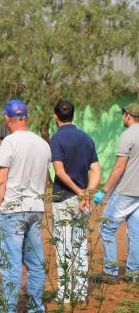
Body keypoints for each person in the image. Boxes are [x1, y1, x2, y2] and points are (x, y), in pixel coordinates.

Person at [0, 99, 51, 313]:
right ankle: (36, 309)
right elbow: (46, 179)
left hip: (12, 209)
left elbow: (1, 179)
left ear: (9, 119)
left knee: (10, 262)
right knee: (35, 262)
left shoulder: (9, 142)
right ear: (25, 118)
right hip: (36, 209)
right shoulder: (43, 144)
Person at [49, 100, 100, 302]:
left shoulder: (56, 139)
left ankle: (64, 294)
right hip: (82, 202)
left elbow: (59, 172)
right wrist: (87, 193)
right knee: (79, 246)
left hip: (63, 199)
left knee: (63, 247)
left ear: (55, 116)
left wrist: (80, 192)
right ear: (73, 115)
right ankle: (80, 292)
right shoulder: (86, 139)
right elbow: (96, 170)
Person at [93, 103, 139, 284]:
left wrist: (104, 191)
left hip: (125, 191)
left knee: (106, 227)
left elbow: (120, 167)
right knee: (135, 232)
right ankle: (134, 273)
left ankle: (110, 271)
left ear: (128, 116)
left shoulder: (127, 135)